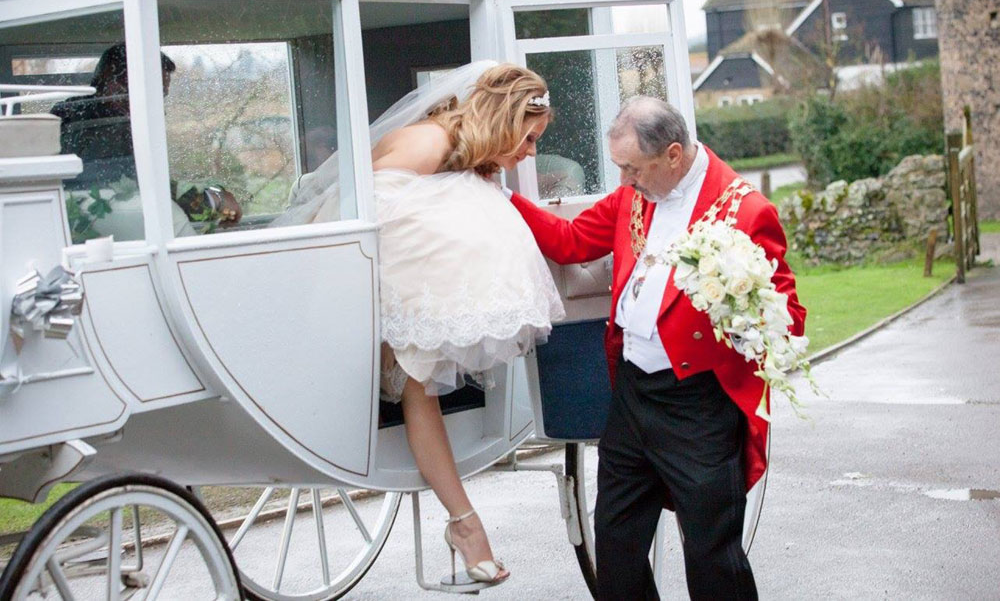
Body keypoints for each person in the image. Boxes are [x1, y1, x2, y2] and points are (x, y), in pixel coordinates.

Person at [507, 96, 806, 600]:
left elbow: (787, 317)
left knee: (712, 553)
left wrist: (736, 313)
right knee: (616, 542)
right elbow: (572, 241)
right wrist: (503, 197)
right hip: (631, 393)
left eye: (632, 168)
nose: (625, 180)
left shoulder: (745, 209)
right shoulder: (635, 196)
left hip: (698, 405)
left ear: (672, 155)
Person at [300, 62, 564, 585]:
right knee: (420, 379)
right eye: (529, 138)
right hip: (343, 275)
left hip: (398, 284)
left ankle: (465, 525)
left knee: (421, 384)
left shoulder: (460, 154)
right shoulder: (426, 144)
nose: (530, 152)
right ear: (505, 121)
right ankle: (466, 526)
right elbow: (358, 218)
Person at [51, 43, 242, 227]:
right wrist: (213, 198)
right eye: (154, 95)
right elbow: (136, 190)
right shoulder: (91, 125)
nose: (160, 109)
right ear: (115, 85)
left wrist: (212, 196)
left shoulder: (78, 114)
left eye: (161, 97)